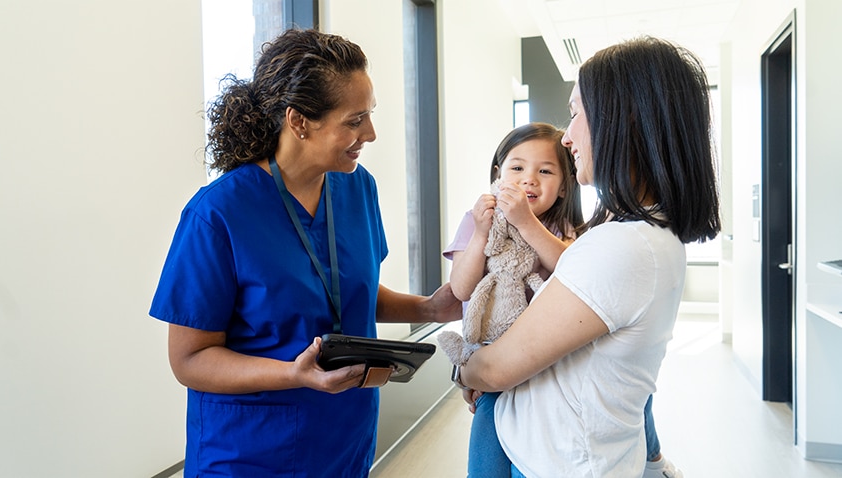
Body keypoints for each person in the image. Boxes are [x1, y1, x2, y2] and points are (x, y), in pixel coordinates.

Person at [148, 28, 461, 477]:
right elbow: (190, 359)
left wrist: (430, 308)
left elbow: (350, 292)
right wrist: (294, 374)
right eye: (354, 120)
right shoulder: (218, 214)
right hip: (250, 453)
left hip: (344, 440)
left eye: (369, 115)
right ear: (298, 121)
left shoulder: (357, 188)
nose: (370, 133)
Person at [455, 36, 720, 477]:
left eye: (578, 113)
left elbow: (499, 369)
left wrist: (468, 372)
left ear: (626, 120)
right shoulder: (637, 235)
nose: (567, 135)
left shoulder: (622, 247)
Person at [443, 122, 584, 477]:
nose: (529, 180)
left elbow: (571, 271)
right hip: (490, 355)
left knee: (535, 454)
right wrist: (480, 232)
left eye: (545, 171)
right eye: (517, 168)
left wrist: (526, 223)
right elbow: (461, 289)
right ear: (497, 175)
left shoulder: (564, 229)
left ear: (565, 186)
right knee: (487, 452)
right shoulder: (476, 220)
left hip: (543, 364)